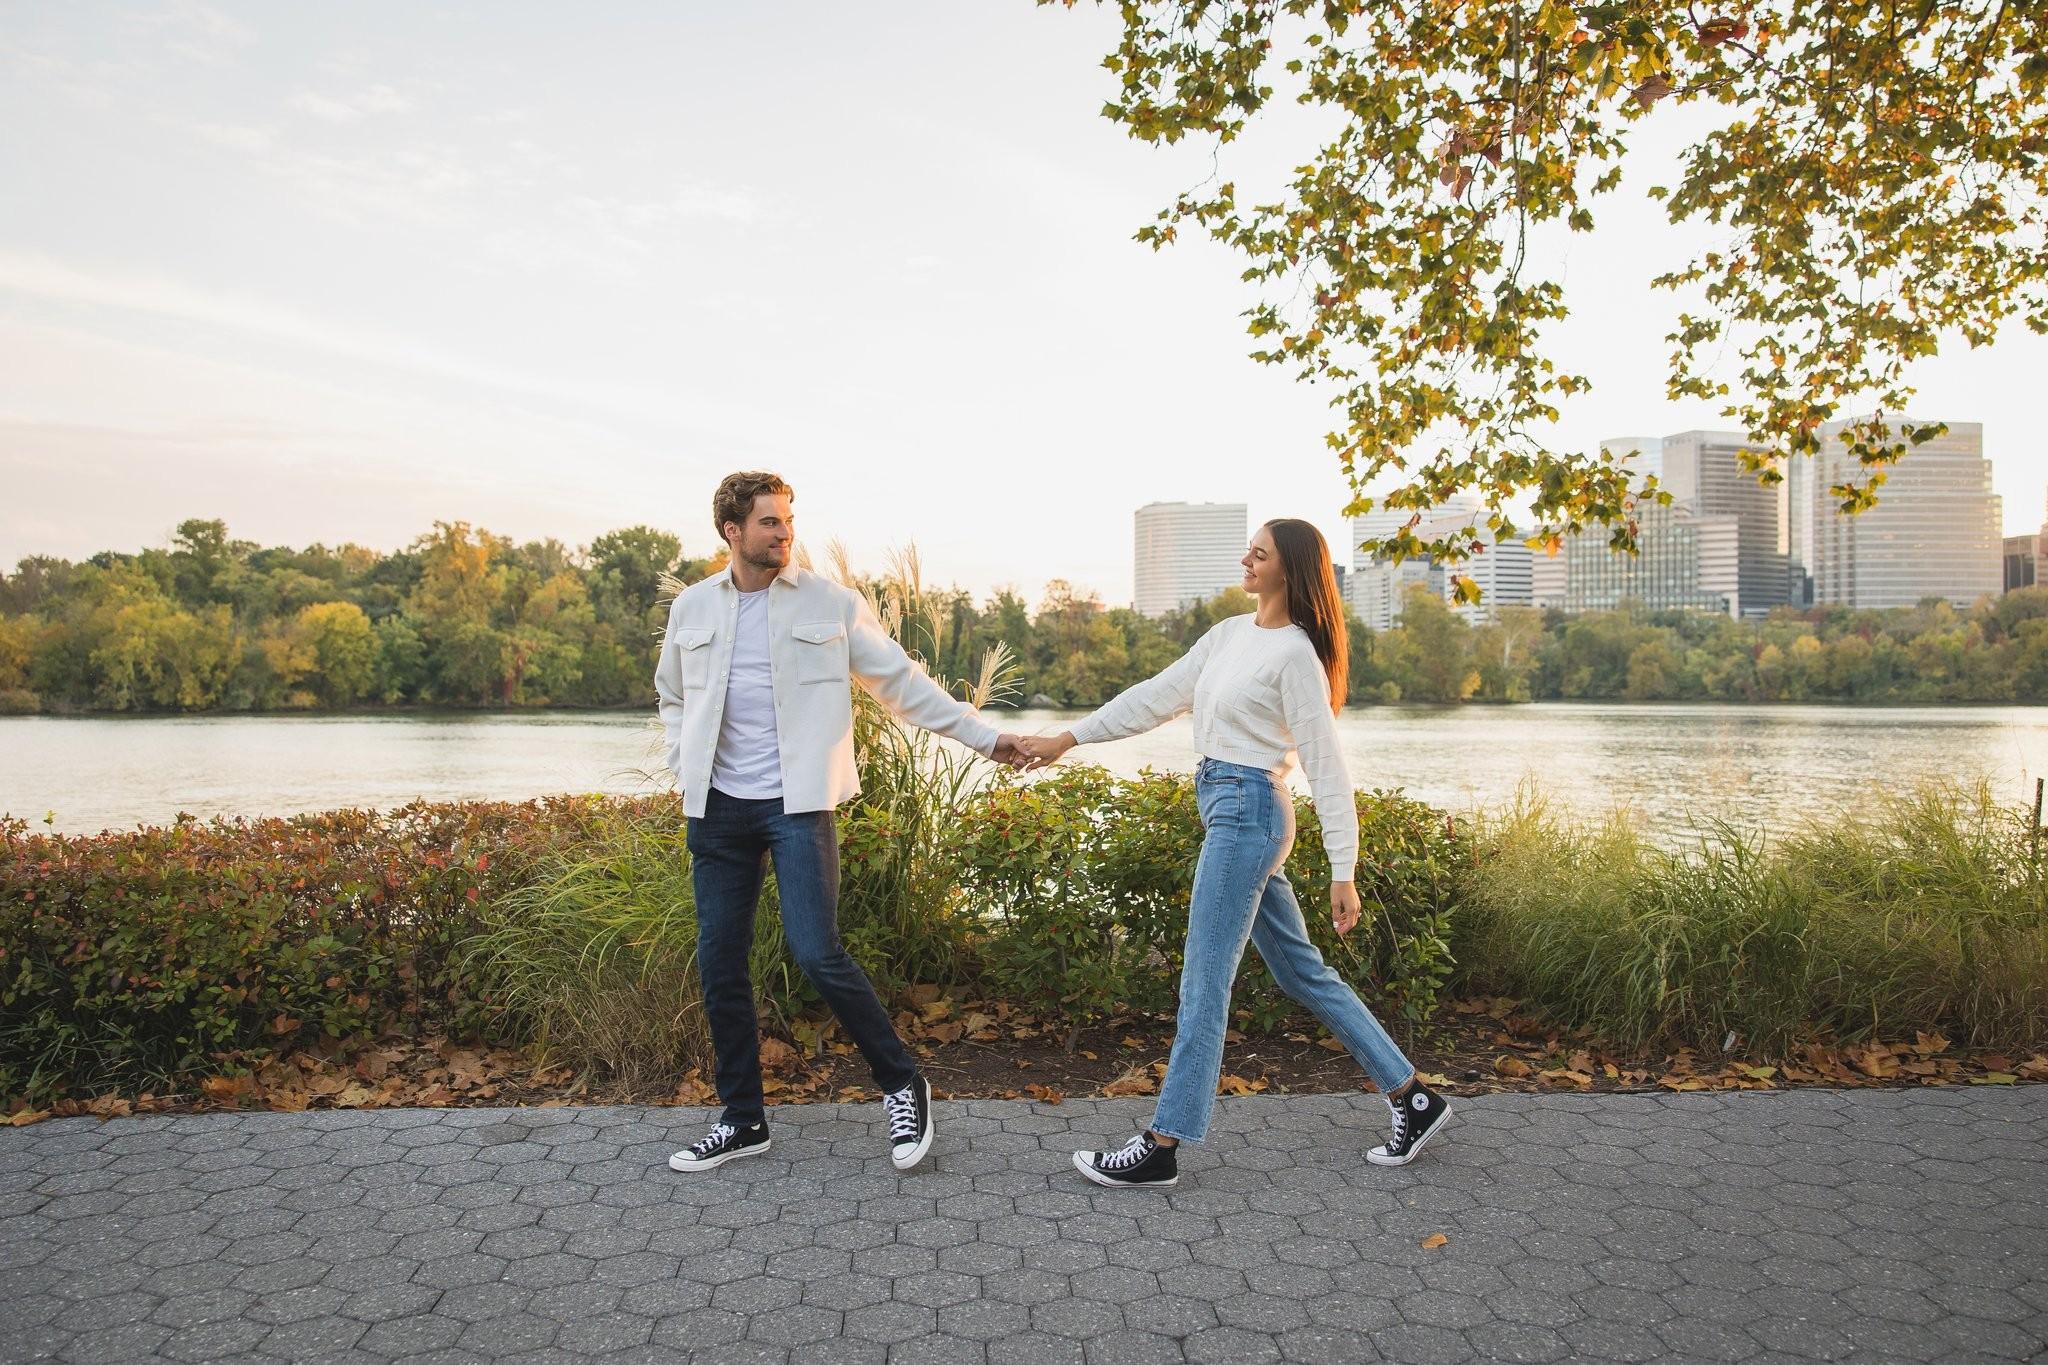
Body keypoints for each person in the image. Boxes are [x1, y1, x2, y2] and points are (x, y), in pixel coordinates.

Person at [1019, 519, 1451, 1187]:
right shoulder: (1227, 636)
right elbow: (1154, 698)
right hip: (1231, 808)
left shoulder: (1296, 656)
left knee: (1203, 981)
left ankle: (1163, 1143)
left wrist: (1345, 867)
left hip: (1249, 813)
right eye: (1249, 546)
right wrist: (1068, 737)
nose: (1246, 557)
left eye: (1261, 551)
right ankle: (1412, 1097)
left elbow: (1327, 766)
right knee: (1302, 974)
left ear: (1290, 570)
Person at [657, 471, 1031, 1173]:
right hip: (717, 807)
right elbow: (671, 694)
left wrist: (986, 738)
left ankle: (901, 1082)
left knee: (817, 950)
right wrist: (685, 761)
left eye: (788, 520)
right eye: (769, 522)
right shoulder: (693, 609)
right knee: (720, 963)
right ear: (732, 532)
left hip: (798, 803)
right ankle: (742, 1118)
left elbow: (902, 684)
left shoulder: (831, 604)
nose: (784, 532)